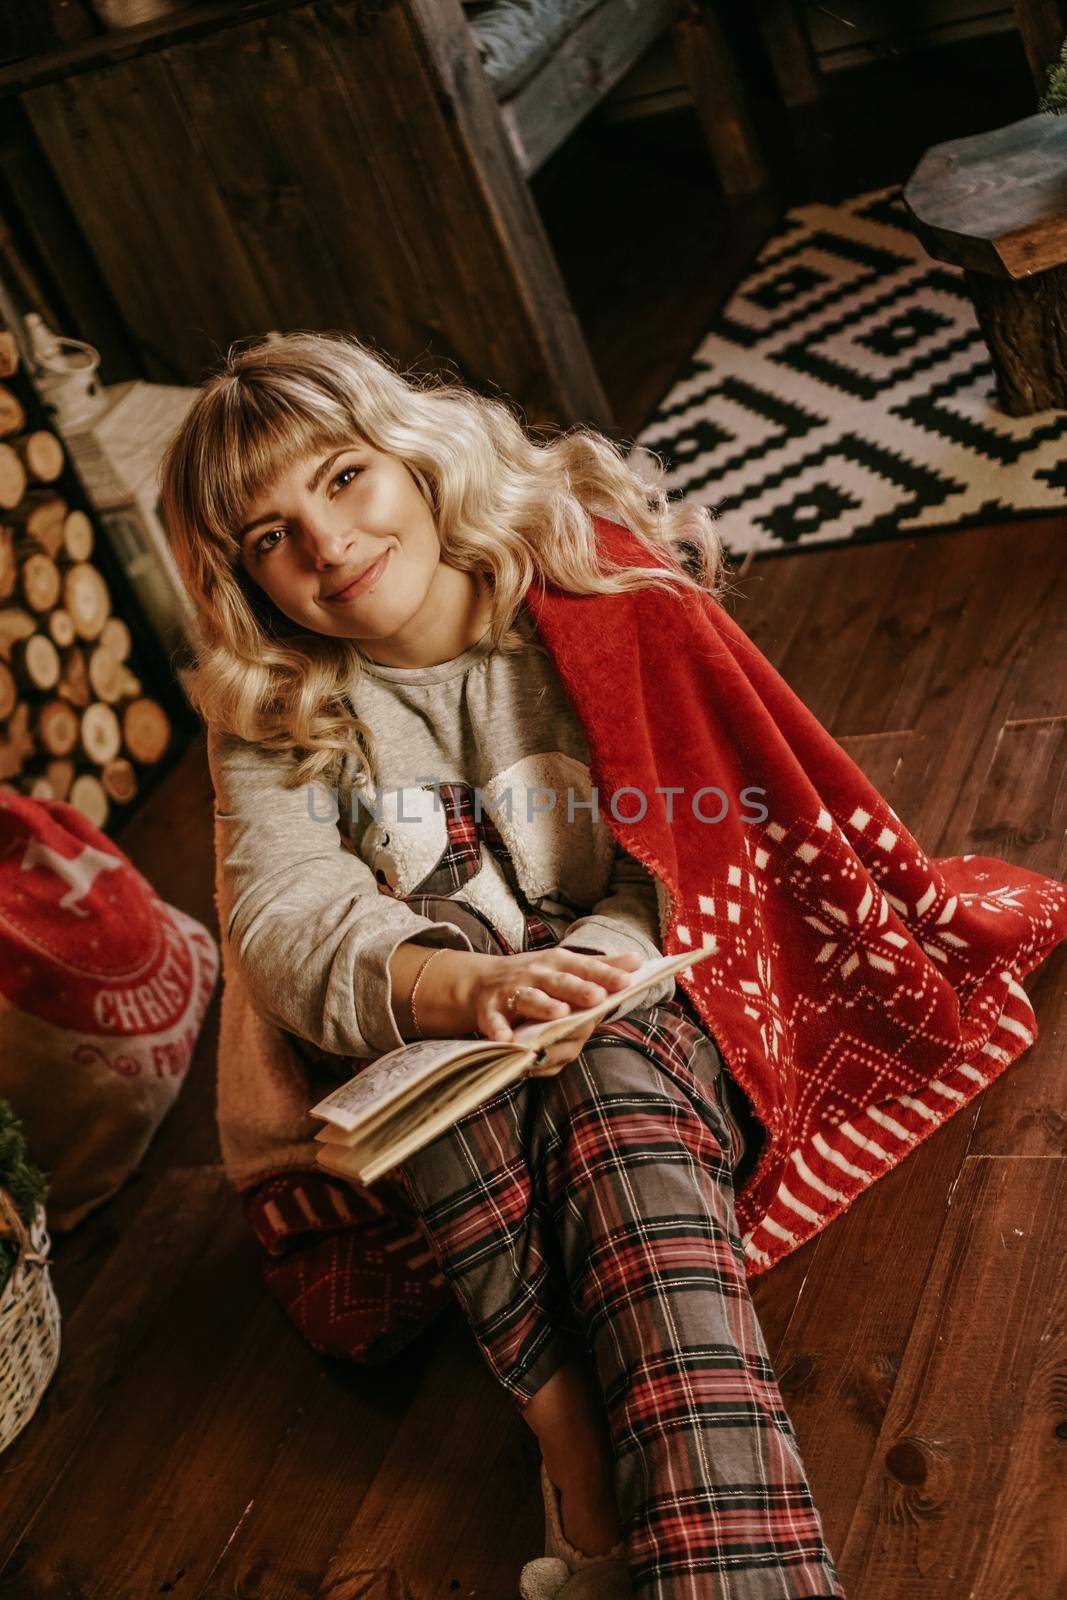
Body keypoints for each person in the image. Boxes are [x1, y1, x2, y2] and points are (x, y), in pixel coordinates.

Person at [159, 329, 847, 1600]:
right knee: (441, 1022)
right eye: (266, 535)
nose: (323, 544)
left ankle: (631, 1516)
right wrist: (462, 985)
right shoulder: (276, 698)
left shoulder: (590, 584)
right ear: (244, 579)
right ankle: (574, 1440)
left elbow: (698, 842)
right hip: (452, 1052)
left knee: (613, 1095)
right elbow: (285, 910)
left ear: (415, 461)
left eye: (343, 476)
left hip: (653, 997)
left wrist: (585, 969)